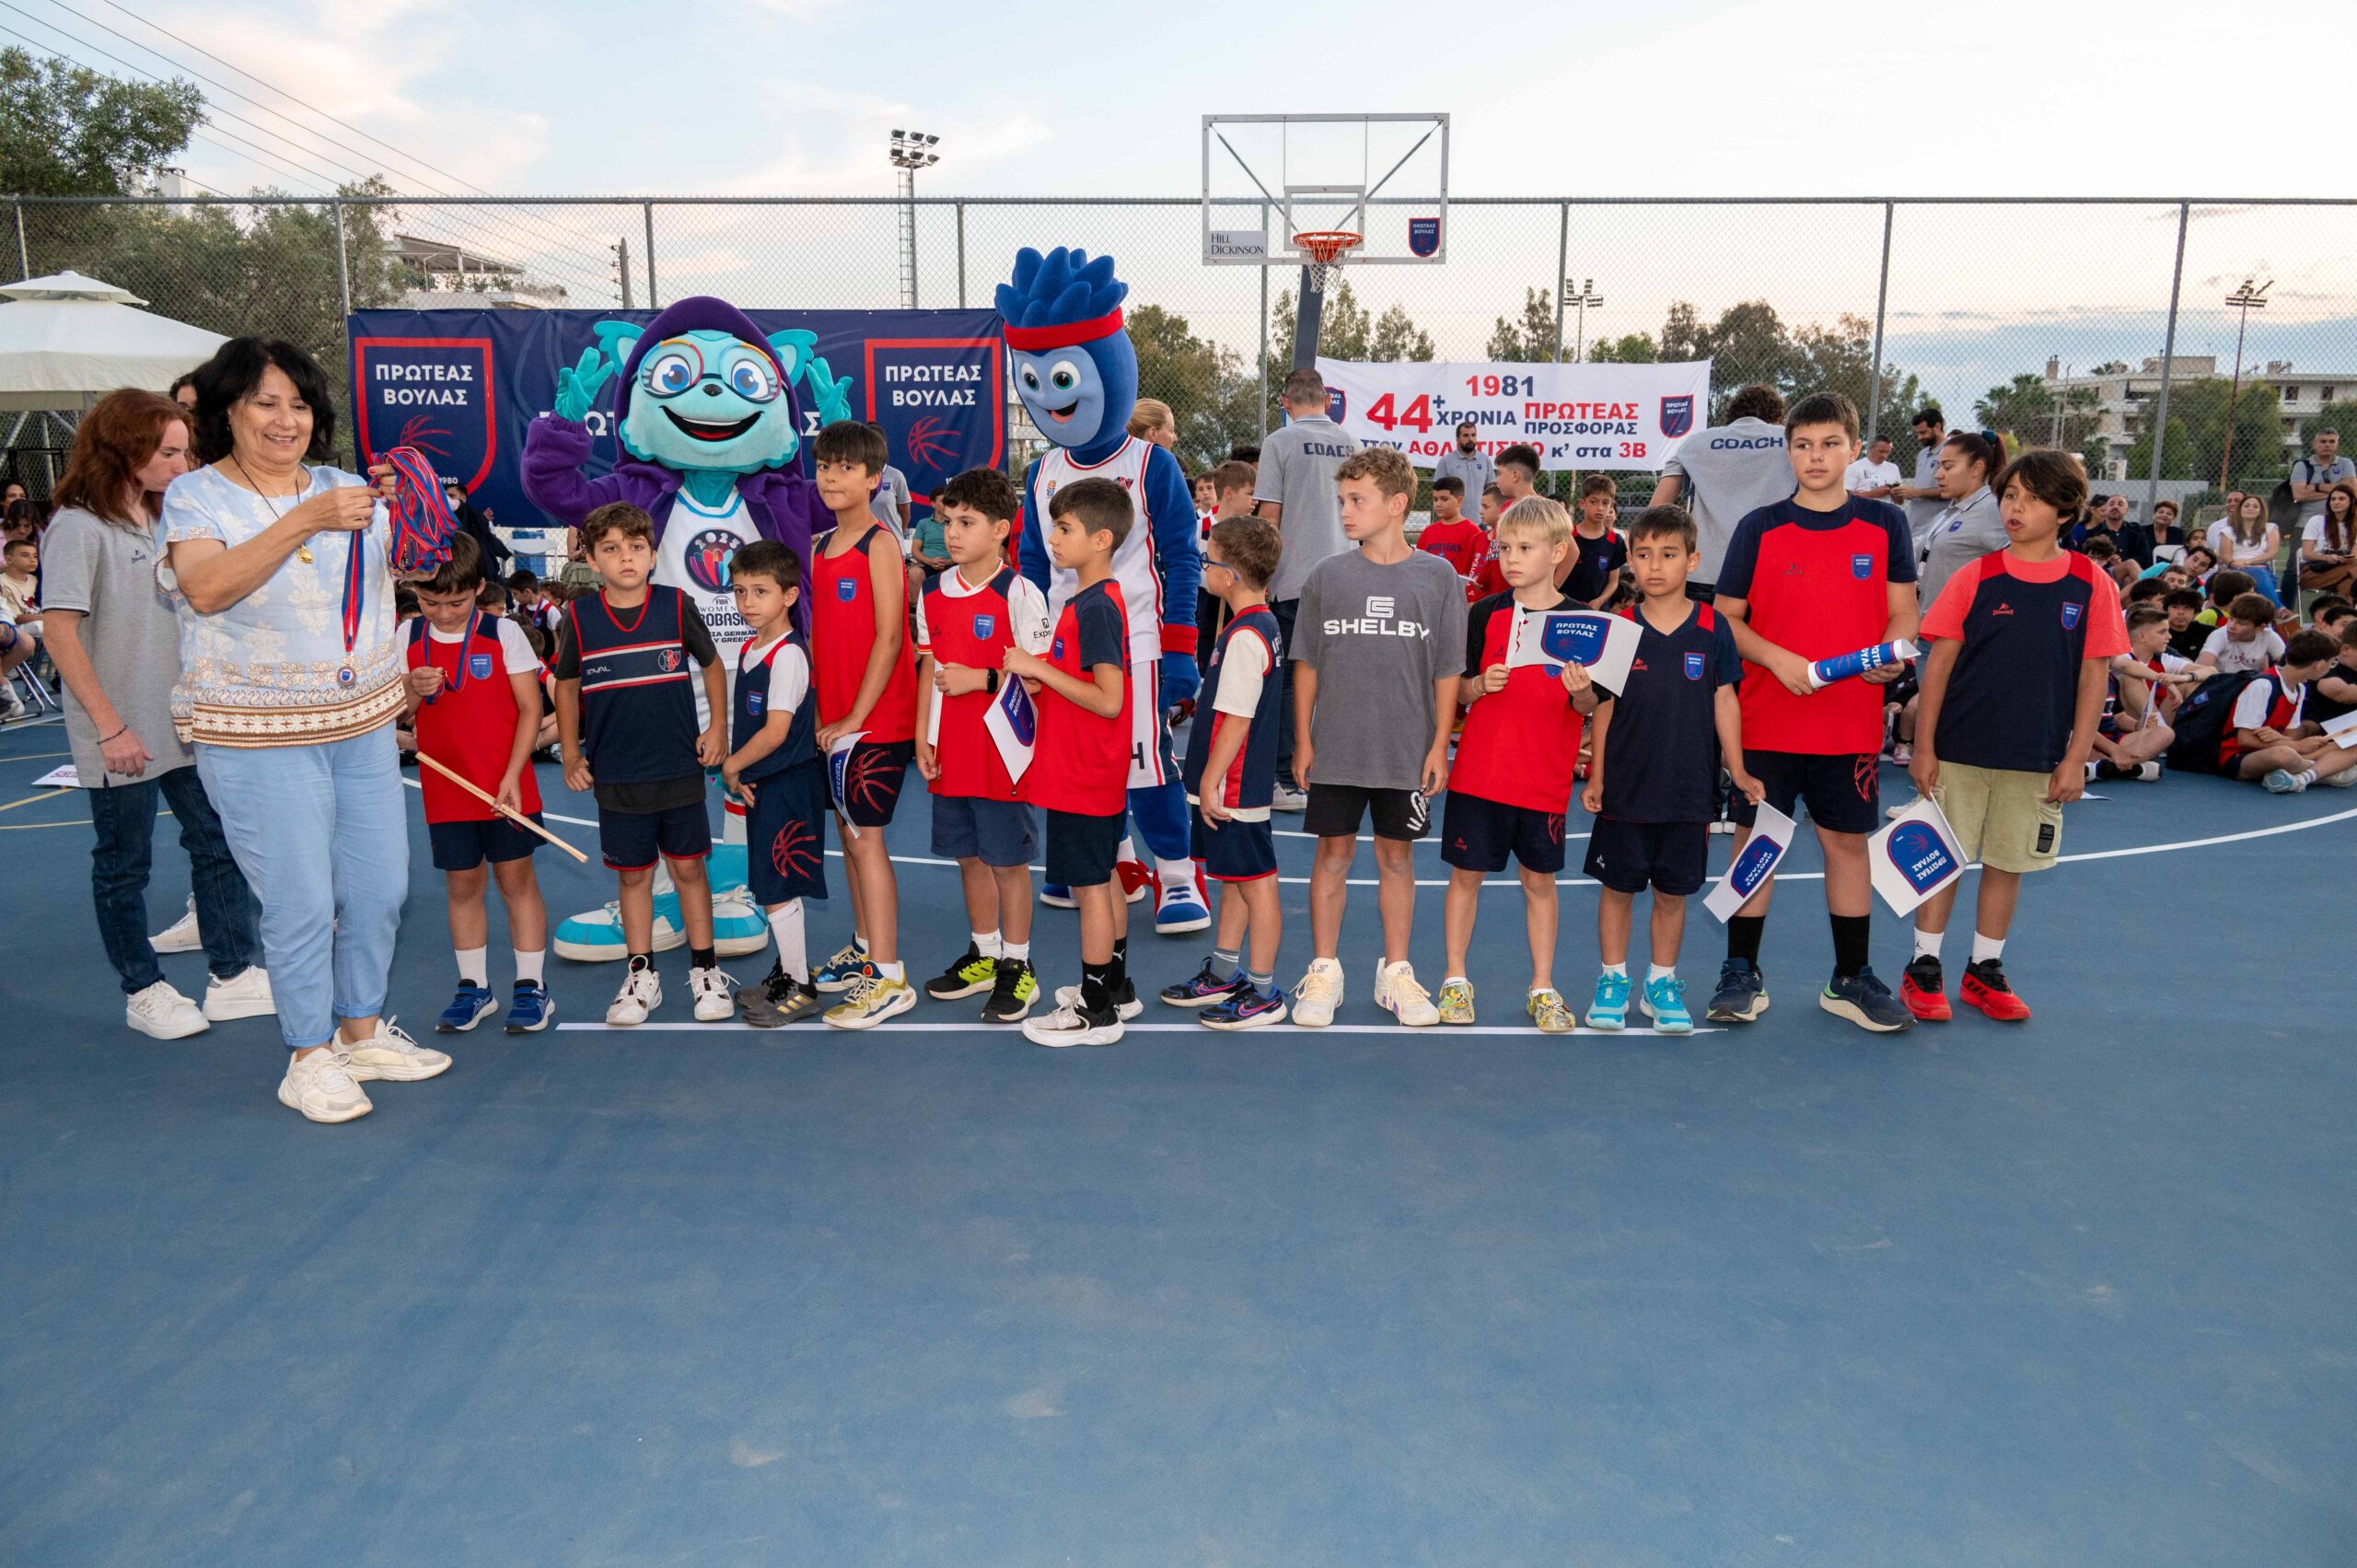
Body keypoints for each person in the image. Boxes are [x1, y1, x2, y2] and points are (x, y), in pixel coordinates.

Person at [165, 336, 444, 1123]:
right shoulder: (196, 496)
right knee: (301, 902)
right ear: (228, 410)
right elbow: (207, 587)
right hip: (256, 731)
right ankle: (308, 1056)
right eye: (265, 402)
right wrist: (306, 518)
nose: (286, 419)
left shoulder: (344, 485)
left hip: (361, 724)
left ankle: (360, 1033)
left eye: (299, 404)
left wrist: (419, 510)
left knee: (381, 888)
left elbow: (421, 568)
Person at [42, 387, 267, 1041]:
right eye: (167, 452)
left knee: (218, 842)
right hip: (123, 729)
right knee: (124, 864)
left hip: (186, 721)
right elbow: (58, 632)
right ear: (123, 449)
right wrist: (110, 726)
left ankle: (232, 973)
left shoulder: (167, 517)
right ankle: (142, 988)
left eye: (184, 451)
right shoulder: (78, 528)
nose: (181, 463)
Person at [1708, 390, 1920, 1033]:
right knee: (1757, 841)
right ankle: (1740, 971)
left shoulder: (1885, 525)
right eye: (1803, 445)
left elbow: (1903, 612)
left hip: (1848, 721)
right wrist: (1777, 659)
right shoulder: (1759, 527)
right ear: (1788, 450)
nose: (1816, 456)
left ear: (1854, 450)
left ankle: (1849, 978)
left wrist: (1893, 656)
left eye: (1830, 444)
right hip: (1767, 718)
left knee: (1846, 843)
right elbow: (1724, 619)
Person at [1902, 449, 2124, 1023]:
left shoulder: (2091, 583)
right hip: (1959, 750)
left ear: (2066, 510)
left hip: (2036, 756)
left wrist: (2075, 758)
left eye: (2033, 498)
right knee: (1943, 860)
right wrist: (1924, 748)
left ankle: (1984, 969)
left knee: (2008, 862)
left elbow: (2093, 676)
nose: (2015, 508)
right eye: (2010, 496)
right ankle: (1924, 965)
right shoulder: (1976, 576)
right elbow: (1938, 667)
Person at [1288, 445, 1465, 1029]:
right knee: (1332, 854)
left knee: (1396, 857)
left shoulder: (1438, 577)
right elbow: (1307, 662)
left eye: (1356, 500)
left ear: (1396, 504)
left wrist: (1439, 744)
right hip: (1337, 746)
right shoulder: (1326, 575)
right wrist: (1304, 740)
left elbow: (1448, 670)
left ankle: (1397, 973)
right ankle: (1324, 971)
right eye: (1342, 500)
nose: (1345, 510)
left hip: (1405, 750)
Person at [1579, 505, 1761, 1035]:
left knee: (1672, 893)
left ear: (1692, 561)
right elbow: (1603, 707)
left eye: (1668, 554)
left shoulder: (1713, 627)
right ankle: (1613, 980)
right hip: (1627, 787)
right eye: (1643, 554)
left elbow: (1725, 699)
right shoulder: (1619, 628)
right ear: (1629, 562)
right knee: (1617, 889)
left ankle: (1661, 983)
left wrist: (1738, 769)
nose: (1655, 565)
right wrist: (1597, 775)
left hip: (1688, 790)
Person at [552, 502, 731, 1025]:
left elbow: (713, 665)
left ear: (653, 555)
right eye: (611, 549)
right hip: (617, 774)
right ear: (591, 559)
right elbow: (566, 685)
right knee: (633, 878)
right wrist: (571, 752)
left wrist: (718, 728)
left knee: (689, 869)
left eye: (636, 547)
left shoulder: (675, 605)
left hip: (678, 767)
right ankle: (641, 976)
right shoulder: (580, 618)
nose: (625, 557)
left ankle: (705, 971)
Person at [1435, 496, 1598, 1033]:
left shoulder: (1585, 621)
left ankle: (1543, 987)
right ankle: (1455, 979)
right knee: (1465, 877)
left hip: (1543, 781)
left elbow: (1593, 703)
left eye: (1525, 548)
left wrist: (1581, 693)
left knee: (1540, 884)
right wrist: (1478, 686)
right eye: (1504, 548)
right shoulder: (1484, 613)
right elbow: (1457, 688)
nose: (1511, 559)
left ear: (1558, 552)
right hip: (1480, 775)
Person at [912, 467, 1051, 1025]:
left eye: (966, 522)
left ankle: (1019, 964)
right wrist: (925, 734)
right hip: (951, 747)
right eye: (948, 520)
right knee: (968, 856)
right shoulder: (931, 592)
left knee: (1007, 862)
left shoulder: (1019, 592)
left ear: (1000, 529)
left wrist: (984, 680)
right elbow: (930, 668)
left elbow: (1040, 679)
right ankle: (986, 954)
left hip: (1003, 753)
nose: (952, 532)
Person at [401, 532, 553, 1036]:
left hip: (506, 784)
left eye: (457, 603)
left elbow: (531, 708)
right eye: (431, 603)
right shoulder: (407, 637)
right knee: (462, 885)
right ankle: (474, 987)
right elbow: (402, 714)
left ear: (479, 588)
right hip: (446, 788)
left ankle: (532, 986)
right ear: (416, 593)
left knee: (516, 882)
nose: (444, 614)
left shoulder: (503, 633)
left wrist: (512, 774)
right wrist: (412, 688)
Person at [1008, 477, 1135, 1047]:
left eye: (1064, 529)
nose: (1053, 539)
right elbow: (1084, 684)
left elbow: (1109, 700)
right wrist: (1047, 679)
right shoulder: (1088, 601)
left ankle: (1095, 1010)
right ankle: (1116, 988)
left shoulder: (1097, 608)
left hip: (1083, 772)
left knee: (1089, 887)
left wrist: (1037, 669)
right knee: (1103, 877)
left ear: (1102, 539)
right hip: (1089, 769)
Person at [807, 420, 921, 1027]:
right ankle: (862, 945)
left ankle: (889, 976)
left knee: (866, 839)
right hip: (836, 722)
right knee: (848, 836)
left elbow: (890, 636)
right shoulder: (819, 546)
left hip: (875, 722)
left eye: (846, 467)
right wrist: (823, 710)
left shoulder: (880, 545)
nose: (831, 476)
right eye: (825, 465)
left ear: (876, 479)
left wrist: (855, 714)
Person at [1164, 513, 1289, 1029]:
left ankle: (1263, 991)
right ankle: (1224, 972)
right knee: (1234, 879)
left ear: (1230, 575)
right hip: (1234, 783)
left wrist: (1211, 781)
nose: (1203, 567)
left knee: (1257, 883)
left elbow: (1236, 719)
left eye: (1208, 560)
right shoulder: (1257, 623)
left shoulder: (1244, 637)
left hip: (1235, 786)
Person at [720, 540, 833, 1028]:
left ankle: (801, 987)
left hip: (788, 785)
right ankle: (789, 972)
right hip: (766, 784)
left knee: (777, 887)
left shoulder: (787, 655)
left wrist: (732, 767)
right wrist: (745, 772)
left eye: (760, 591)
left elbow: (776, 732)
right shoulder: (751, 647)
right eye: (740, 591)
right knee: (772, 883)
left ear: (789, 595)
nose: (747, 602)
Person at [1256, 369, 1361, 809]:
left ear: (1285, 402)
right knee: (1339, 678)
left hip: (1294, 578)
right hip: (1346, 578)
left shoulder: (1279, 442)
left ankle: (1285, 778)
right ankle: (1336, 774)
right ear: (1326, 400)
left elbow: (1269, 517)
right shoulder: (1353, 443)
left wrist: (1260, 576)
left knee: (1287, 682)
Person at [1646, 383, 1793, 598]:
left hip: (1706, 571)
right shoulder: (1792, 440)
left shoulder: (1696, 442)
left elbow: (1656, 510)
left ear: (1732, 415)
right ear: (1777, 417)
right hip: (1775, 570)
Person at [2212, 629, 2357, 793]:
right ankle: (2320, 772)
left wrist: (2281, 738)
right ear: (2318, 664)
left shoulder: (2299, 688)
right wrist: (2297, 745)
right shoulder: (2263, 685)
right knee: (2284, 754)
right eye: (2331, 663)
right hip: (2238, 757)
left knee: (2350, 745)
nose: (2331, 667)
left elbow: (2290, 736)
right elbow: (2244, 739)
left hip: (2275, 747)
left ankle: (2304, 775)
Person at [2092, 605, 2190, 780]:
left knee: (2166, 733)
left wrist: (2138, 726)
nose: (2116, 654)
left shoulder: (2111, 679)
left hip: (2113, 738)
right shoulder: (2079, 680)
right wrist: (2113, 750)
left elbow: (2119, 717)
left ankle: (2102, 768)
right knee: (2071, 740)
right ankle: (2126, 767)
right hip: (2087, 740)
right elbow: (2076, 728)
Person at [1916, 430, 2006, 610]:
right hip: (1927, 620)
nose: (1938, 474)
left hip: (1962, 625)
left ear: (1976, 468)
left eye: (1948, 467)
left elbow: (2018, 566)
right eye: (1938, 466)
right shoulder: (1947, 513)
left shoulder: (1992, 510)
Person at [1194, 459, 1257, 674]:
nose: (1255, 500)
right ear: (1229, 493)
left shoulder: (1254, 531)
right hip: (1208, 607)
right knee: (1209, 672)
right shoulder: (1200, 528)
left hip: (1241, 605)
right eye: (1250, 493)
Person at [1887, 406, 1950, 550]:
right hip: (1916, 527)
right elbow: (1921, 487)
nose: (1919, 437)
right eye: (1917, 433)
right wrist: (1904, 493)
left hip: (1936, 528)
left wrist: (1917, 492)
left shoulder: (1950, 451)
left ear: (1937, 427)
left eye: (1923, 433)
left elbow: (1952, 490)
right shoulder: (1922, 454)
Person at [1562, 472, 1626, 609]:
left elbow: (1613, 582)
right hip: (1565, 609)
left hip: (1598, 611)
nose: (1600, 508)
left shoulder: (1615, 541)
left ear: (1611, 505)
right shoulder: (1567, 536)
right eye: (1593, 502)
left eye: (1605, 502)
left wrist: (1599, 601)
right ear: (1582, 504)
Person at [1415, 475, 1486, 594]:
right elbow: (1419, 564)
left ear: (1459, 500)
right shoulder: (1428, 531)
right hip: (1430, 592)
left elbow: (1477, 570)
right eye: (1435, 499)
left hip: (1457, 594)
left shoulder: (1473, 531)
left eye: (1444, 499)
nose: (1438, 504)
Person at [2289, 428, 2354, 549]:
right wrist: (2340, 491)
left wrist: (2316, 486)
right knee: (2298, 559)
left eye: (2332, 441)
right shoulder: (2302, 466)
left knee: (2343, 558)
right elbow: (2299, 494)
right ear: (2314, 445)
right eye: (2323, 441)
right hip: (2306, 522)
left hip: (2342, 523)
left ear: (2337, 445)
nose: (2327, 445)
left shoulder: (2346, 463)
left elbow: (2352, 490)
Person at [2195, 592, 2287, 677]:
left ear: (2260, 628)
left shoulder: (2269, 637)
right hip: (2220, 683)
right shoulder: (2219, 635)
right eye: (2231, 619)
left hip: (2250, 683)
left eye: (2241, 623)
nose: (2231, 626)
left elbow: (2288, 665)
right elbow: (2202, 669)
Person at [2214, 494, 2282, 604]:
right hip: (2236, 571)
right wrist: (2234, 563)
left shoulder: (2270, 528)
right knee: (2258, 575)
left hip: (2261, 568)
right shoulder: (2228, 531)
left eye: (2255, 506)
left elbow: (2272, 552)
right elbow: (2225, 556)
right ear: (2240, 510)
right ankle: (2279, 609)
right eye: (2247, 506)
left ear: (2260, 512)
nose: (2251, 508)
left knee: (2258, 573)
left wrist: (2249, 562)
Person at [2297, 480, 2356, 597]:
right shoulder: (2317, 521)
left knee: (2349, 583)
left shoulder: (2355, 525)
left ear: (2352, 502)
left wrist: (2343, 559)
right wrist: (2327, 558)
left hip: (2345, 569)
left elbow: (2354, 556)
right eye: (2333, 499)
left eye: (2341, 499)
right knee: (2353, 573)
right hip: (2315, 571)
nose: (2336, 502)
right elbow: (2306, 554)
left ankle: (2338, 608)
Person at [2073, 491, 2154, 568]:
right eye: (2111, 504)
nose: (2115, 506)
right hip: (2104, 572)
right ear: (2106, 510)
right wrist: (2108, 562)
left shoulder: (2136, 530)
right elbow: (2083, 557)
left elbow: (2145, 558)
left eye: (2120, 504)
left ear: (2126, 511)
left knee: (2130, 565)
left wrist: (2122, 563)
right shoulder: (2093, 533)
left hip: (2130, 572)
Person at [1434, 419, 1494, 509]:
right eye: (1466, 435)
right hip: (1453, 517)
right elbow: (1437, 493)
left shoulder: (1485, 460)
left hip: (1480, 517)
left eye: (1473, 435)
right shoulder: (1446, 461)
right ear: (1457, 439)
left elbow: (1491, 490)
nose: (1470, 439)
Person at [867, 422, 912, 536]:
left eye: (877, 443)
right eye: (869, 444)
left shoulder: (896, 476)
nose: (873, 449)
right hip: (864, 544)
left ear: (884, 445)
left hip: (893, 543)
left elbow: (905, 515)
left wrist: (896, 538)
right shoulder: (856, 477)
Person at [1845, 436, 1902, 501]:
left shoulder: (1893, 468)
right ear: (1871, 448)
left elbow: (1899, 502)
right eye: (1881, 451)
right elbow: (1846, 496)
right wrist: (1872, 494)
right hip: (1864, 506)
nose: (1884, 456)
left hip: (1887, 506)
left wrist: (1897, 494)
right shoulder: (1854, 467)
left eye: (1887, 452)